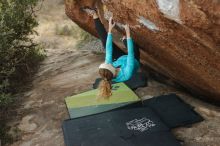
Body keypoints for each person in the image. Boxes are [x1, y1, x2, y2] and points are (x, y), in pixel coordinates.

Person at [82, 7, 140, 99]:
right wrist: (128, 34)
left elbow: (108, 49)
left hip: (120, 59)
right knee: (133, 45)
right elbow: (131, 54)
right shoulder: (126, 73)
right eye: (108, 64)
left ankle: (94, 15)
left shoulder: (109, 67)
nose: (107, 62)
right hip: (134, 59)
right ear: (112, 69)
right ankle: (125, 40)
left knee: (105, 41)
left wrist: (110, 29)